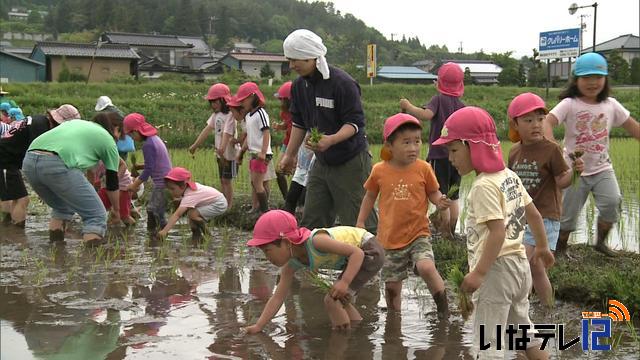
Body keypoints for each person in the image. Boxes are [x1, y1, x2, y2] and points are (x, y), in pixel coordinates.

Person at [432, 106, 555, 360]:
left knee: (489, 344)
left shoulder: (483, 186)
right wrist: (542, 246)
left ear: (473, 145)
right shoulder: (508, 176)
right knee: (523, 330)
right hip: (519, 266)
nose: (450, 159)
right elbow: (532, 214)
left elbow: (497, 233)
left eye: (454, 150)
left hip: (496, 272)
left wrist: (478, 273)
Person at [278, 29, 378, 233]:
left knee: (358, 222)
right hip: (322, 162)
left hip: (351, 161)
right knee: (312, 221)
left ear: (311, 56)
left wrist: (331, 140)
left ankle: (368, 262)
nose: (292, 66)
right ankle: (312, 263)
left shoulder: (342, 83)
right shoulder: (298, 86)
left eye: (295, 60)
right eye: (289, 60)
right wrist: (290, 154)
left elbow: (355, 123)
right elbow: (299, 123)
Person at [543, 52, 640, 257]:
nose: (592, 82)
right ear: (576, 80)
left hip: (603, 167)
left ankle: (600, 243)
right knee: (568, 215)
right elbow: (547, 121)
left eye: (598, 77)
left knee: (612, 203)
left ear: (605, 80)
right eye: (586, 78)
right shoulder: (570, 103)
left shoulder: (611, 105)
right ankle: (560, 249)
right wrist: (554, 148)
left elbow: (633, 128)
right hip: (574, 170)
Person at [356, 113, 451, 317]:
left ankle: (444, 309)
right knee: (392, 287)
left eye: (417, 142)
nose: (413, 148)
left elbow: (433, 192)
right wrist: (361, 221)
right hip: (389, 239)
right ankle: (394, 322)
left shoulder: (423, 168)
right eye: (406, 142)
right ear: (389, 145)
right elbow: (370, 196)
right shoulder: (379, 170)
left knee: (426, 267)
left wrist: (440, 202)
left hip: (419, 233)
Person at [244, 210, 384, 333]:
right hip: (355, 258)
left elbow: (357, 253)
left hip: (369, 251)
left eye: (268, 251)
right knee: (340, 298)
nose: (267, 258)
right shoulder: (291, 264)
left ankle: (344, 340)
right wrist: (258, 326)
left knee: (331, 300)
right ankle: (358, 333)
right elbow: (277, 298)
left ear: (286, 243)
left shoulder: (317, 241)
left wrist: (344, 281)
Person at [507, 92, 583, 307]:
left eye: (540, 119)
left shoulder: (552, 150)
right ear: (515, 124)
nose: (536, 125)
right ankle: (537, 307)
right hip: (521, 217)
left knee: (532, 262)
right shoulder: (514, 151)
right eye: (528, 120)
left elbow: (561, 181)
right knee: (529, 265)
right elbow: (511, 184)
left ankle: (541, 307)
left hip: (546, 216)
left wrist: (575, 173)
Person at [22, 114, 124, 245]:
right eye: (121, 133)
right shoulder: (108, 139)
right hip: (57, 162)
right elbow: (112, 183)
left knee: (62, 207)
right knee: (96, 215)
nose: (120, 137)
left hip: (29, 161)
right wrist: (116, 209)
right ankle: (91, 262)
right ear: (116, 128)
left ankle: (56, 252)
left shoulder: (76, 124)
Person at [399, 62, 465, 236]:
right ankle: (452, 228)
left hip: (440, 155)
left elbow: (426, 115)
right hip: (458, 156)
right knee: (454, 195)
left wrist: (408, 106)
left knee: (440, 194)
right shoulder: (461, 105)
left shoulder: (437, 100)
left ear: (439, 83)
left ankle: (444, 232)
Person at [0, 105, 81, 227]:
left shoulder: (38, 120)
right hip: (5, 160)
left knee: (13, 198)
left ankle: (8, 233)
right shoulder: (40, 128)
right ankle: (16, 234)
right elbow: (38, 158)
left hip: (9, 160)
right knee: (22, 199)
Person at [189, 83, 239, 208]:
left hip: (230, 155)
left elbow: (227, 133)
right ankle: (223, 204)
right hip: (220, 154)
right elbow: (207, 130)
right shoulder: (215, 115)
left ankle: (229, 205)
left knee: (227, 180)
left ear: (223, 100)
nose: (213, 105)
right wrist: (195, 145)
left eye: (215, 102)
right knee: (222, 180)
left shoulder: (231, 115)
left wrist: (222, 148)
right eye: (211, 102)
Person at [124, 113, 172, 232]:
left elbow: (148, 171)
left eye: (131, 134)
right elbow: (155, 162)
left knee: (151, 210)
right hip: (166, 180)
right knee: (159, 212)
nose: (132, 138)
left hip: (161, 183)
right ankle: (159, 236)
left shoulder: (148, 145)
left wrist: (133, 186)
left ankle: (153, 237)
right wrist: (139, 166)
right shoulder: (154, 138)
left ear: (136, 131)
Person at [230, 82, 272, 214]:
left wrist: (263, 152)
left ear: (253, 97)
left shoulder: (261, 113)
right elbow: (250, 138)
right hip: (253, 153)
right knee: (255, 183)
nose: (242, 103)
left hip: (261, 154)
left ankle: (265, 211)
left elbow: (266, 133)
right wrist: (241, 153)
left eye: (243, 100)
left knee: (258, 184)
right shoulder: (248, 116)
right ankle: (258, 209)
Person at [157, 167, 228, 241]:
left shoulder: (190, 195)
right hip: (214, 200)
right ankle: (196, 236)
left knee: (192, 214)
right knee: (191, 218)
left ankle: (208, 235)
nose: (170, 192)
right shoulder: (188, 190)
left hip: (219, 204)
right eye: (169, 189)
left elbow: (177, 215)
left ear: (183, 186)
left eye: (172, 189)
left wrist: (164, 231)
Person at [95, 95, 135, 160]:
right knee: (122, 163)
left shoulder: (106, 115)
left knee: (113, 163)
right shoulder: (119, 112)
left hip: (114, 141)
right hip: (123, 140)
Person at [272, 81, 294, 200]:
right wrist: (280, 126)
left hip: (297, 146)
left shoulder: (299, 113)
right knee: (279, 171)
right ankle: (287, 198)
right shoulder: (284, 113)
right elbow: (287, 124)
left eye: (282, 100)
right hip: (287, 144)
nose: (280, 102)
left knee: (298, 175)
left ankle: (299, 201)